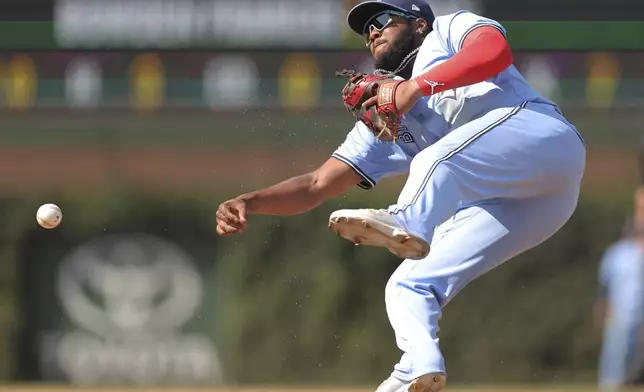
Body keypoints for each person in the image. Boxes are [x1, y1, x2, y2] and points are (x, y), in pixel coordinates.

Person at [216, 0, 586, 390]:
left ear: (419, 23)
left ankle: (405, 220)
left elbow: (493, 52)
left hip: (545, 140)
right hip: (534, 203)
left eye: (381, 20)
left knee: (435, 159)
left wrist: (415, 87)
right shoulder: (383, 117)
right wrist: (249, 201)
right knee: (408, 286)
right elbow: (316, 185)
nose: (372, 32)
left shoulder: (448, 30)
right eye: (365, 30)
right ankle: (418, 368)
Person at [595, 190, 644, 391]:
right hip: (622, 314)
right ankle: (610, 384)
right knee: (616, 356)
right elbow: (605, 286)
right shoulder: (618, 253)